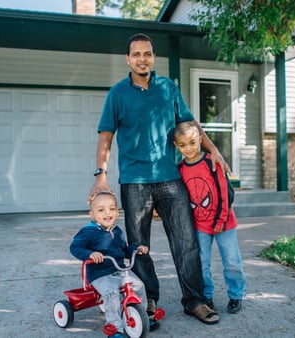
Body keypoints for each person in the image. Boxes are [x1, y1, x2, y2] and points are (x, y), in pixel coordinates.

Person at [88, 33, 231, 326]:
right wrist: (101, 175)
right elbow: (106, 137)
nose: (143, 59)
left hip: (169, 177)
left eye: (148, 54)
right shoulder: (117, 93)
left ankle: (195, 301)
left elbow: (190, 125)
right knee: (139, 246)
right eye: (137, 54)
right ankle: (147, 296)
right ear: (128, 59)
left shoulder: (168, 88)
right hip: (134, 181)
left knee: (186, 242)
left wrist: (214, 150)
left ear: (154, 58)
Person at [174, 121, 246, 314]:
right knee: (202, 262)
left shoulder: (211, 161)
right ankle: (207, 296)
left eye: (192, 142)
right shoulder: (180, 168)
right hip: (200, 225)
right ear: (176, 146)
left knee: (231, 260)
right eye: (183, 145)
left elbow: (224, 193)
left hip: (224, 222)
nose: (188, 148)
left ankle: (236, 295)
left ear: (200, 139)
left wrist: (221, 220)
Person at [69, 191, 149, 338]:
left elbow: (124, 249)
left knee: (139, 286)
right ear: (92, 215)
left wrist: (135, 249)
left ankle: (141, 315)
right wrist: (90, 254)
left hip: (119, 270)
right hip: (100, 274)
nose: (108, 213)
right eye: (101, 210)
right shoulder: (88, 232)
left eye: (112, 208)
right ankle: (115, 327)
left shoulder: (117, 231)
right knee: (112, 294)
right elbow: (74, 248)